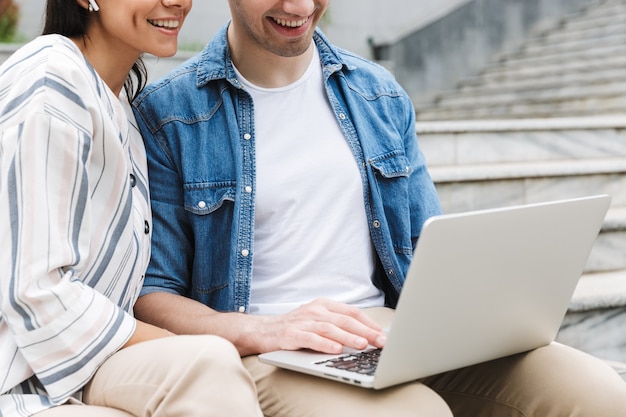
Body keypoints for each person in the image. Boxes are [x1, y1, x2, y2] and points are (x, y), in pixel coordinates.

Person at [131, 0, 626, 416]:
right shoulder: (168, 112)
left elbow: (428, 243)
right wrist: (263, 330)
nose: (299, 7)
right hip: (268, 350)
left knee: (597, 393)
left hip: (389, 332)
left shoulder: (378, 93)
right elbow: (152, 293)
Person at [0, 1, 264, 417]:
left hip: (84, 369)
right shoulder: (52, 80)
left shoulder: (123, 108)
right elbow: (35, 290)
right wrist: (191, 343)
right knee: (208, 364)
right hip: (21, 381)